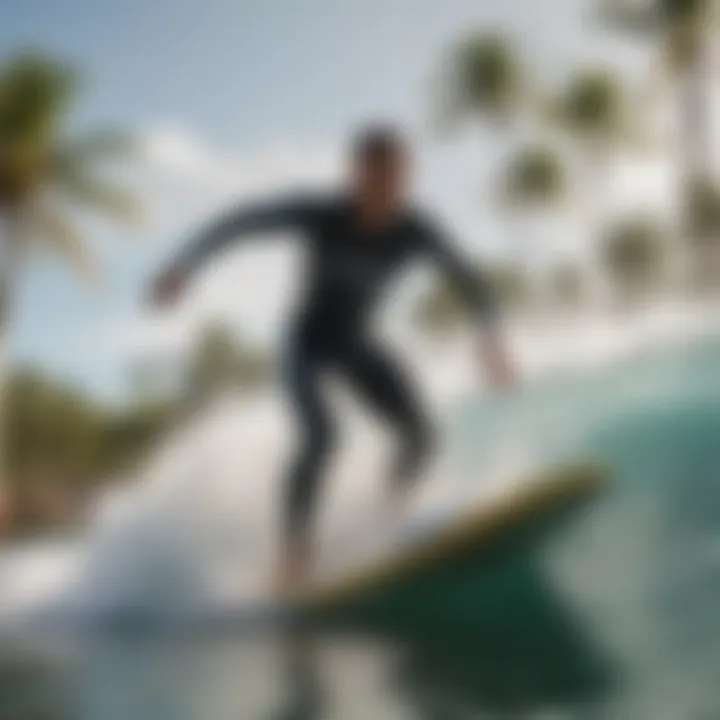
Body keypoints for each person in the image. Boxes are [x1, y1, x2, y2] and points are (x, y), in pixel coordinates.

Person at [149, 125, 517, 593]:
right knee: (322, 436)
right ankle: (294, 553)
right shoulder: (322, 214)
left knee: (420, 436)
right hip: (307, 341)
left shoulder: (415, 227)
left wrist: (490, 338)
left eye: (397, 179)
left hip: (357, 342)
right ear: (356, 175)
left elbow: (468, 279)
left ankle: (389, 520)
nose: (387, 191)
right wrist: (186, 264)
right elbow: (243, 222)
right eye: (376, 178)